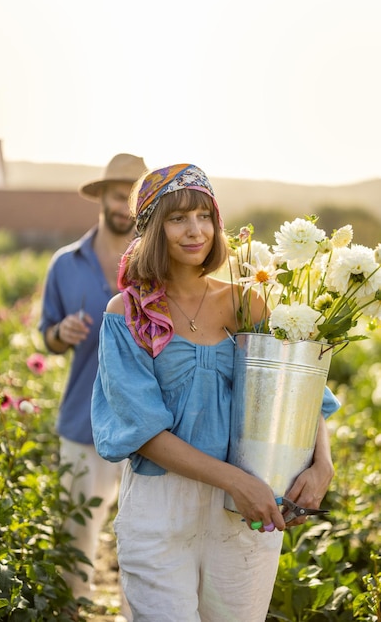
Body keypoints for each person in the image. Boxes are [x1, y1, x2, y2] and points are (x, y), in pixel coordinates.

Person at [91, 163, 340, 622]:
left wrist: (323, 464)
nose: (195, 231)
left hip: (246, 506)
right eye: (177, 218)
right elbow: (142, 429)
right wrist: (234, 480)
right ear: (151, 229)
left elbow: (300, 394)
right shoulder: (126, 314)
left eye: (205, 216)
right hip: (162, 503)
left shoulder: (250, 302)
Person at [39, 153, 147, 608]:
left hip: (145, 426)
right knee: (76, 535)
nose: (126, 206)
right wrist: (60, 333)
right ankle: (71, 610)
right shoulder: (65, 264)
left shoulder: (156, 266)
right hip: (82, 420)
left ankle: (135, 614)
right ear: (101, 196)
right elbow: (47, 337)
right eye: (119, 195)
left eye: (135, 197)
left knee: (144, 538)